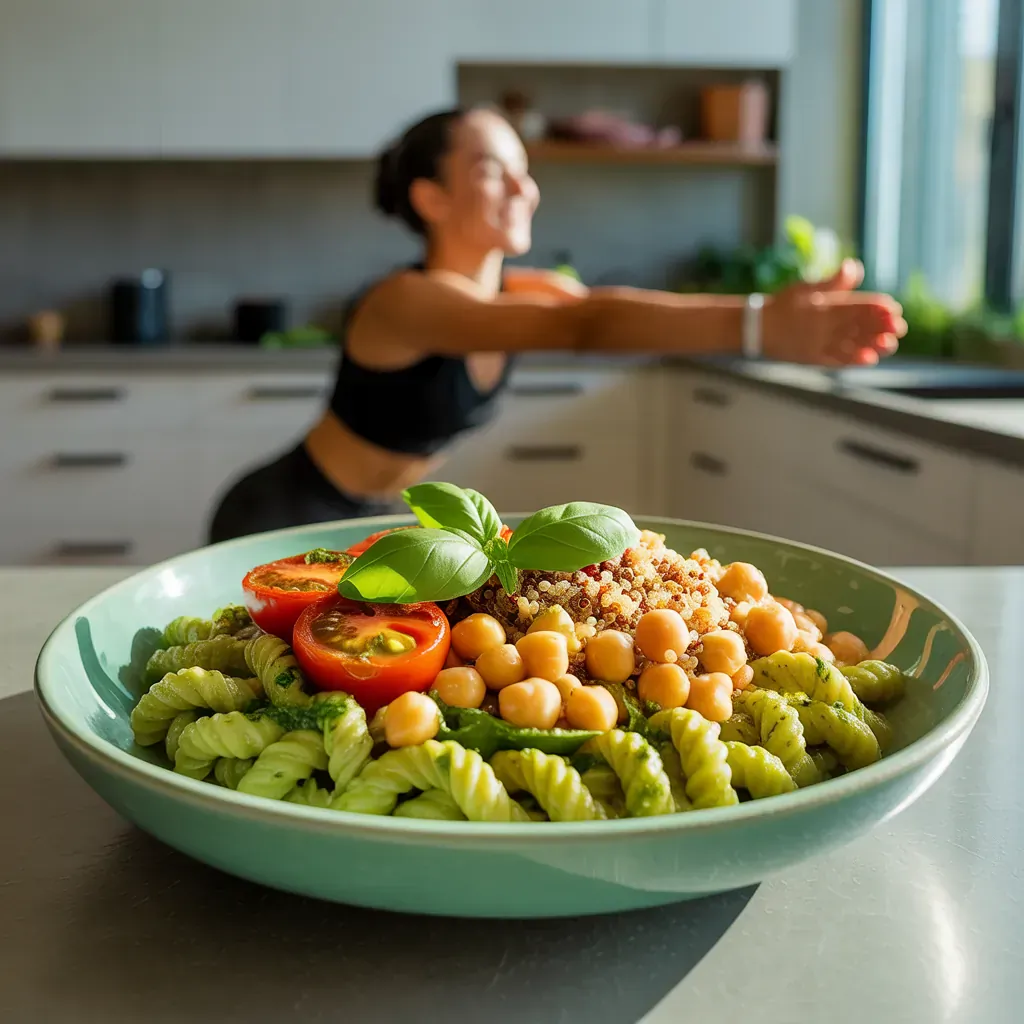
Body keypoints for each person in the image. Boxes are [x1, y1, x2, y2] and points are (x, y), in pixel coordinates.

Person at [208, 106, 906, 543]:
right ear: (431, 197)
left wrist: (756, 320)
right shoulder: (404, 301)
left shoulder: (520, 292)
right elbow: (585, 326)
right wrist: (757, 327)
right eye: (492, 171)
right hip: (285, 511)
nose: (524, 189)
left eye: (525, 169)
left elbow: (593, 305)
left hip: (380, 519)